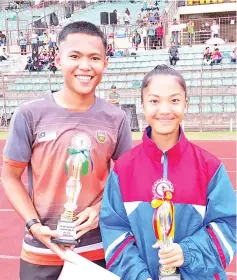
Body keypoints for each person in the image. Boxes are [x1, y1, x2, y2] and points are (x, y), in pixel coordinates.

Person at [1, 21, 132, 280]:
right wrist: (34, 225)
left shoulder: (116, 118)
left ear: (105, 63)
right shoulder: (29, 114)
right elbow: (10, 176)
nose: (85, 66)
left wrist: (101, 209)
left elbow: (127, 178)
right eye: (75, 56)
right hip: (42, 251)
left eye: (94, 57)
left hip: (99, 251)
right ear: (58, 59)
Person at [100, 64, 236, 280]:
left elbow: (228, 225)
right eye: (154, 101)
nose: (164, 110)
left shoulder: (210, 167)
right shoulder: (124, 169)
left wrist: (187, 252)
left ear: (185, 104)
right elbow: (113, 229)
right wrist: (138, 276)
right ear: (143, 106)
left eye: (174, 100)